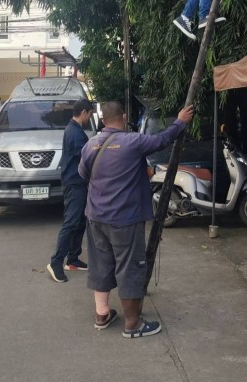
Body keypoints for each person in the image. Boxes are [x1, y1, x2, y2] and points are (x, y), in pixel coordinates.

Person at [78, 100, 194, 338]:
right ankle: (133, 324)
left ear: (102, 120)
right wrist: (180, 121)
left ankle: (102, 315)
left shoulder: (90, 145)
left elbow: (83, 174)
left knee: (101, 264)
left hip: (95, 216)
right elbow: (162, 140)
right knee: (129, 267)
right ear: (124, 116)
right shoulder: (132, 141)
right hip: (124, 218)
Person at [46, 98, 95, 283]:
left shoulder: (74, 130)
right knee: (71, 222)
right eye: (89, 114)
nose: (89, 118)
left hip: (78, 183)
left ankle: (73, 259)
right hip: (75, 184)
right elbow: (87, 157)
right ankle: (56, 262)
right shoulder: (75, 133)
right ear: (83, 112)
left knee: (80, 221)